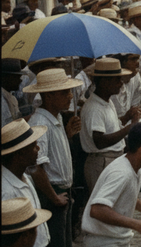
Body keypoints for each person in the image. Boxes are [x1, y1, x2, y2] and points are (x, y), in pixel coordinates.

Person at [25, 69, 82, 247]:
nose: (70, 96)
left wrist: (68, 134)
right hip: (52, 193)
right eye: (64, 92)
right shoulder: (40, 123)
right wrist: (54, 197)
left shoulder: (54, 117)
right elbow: (35, 168)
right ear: (49, 96)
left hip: (61, 191)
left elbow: (53, 155)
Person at [81, 123, 141, 246]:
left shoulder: (136, 169)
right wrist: (137, 224)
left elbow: (127, 195)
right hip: (104, 242)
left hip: (117, 240)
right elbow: (97, 209)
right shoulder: (122, 173)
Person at [79, 58, 139, 192]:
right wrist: (130, 127)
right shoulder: (94, 108)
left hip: (111, 159)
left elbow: (113, 127)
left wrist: (127, 117)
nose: (120, 83)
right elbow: (100, 141)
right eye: (117, 80)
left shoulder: (107, 102)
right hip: (102, 162)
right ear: (105, 82)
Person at [1, 119, 51, 247]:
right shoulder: (6, 191)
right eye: (33, 146)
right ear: (20, 154)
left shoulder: (24, 176)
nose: (38, 148)